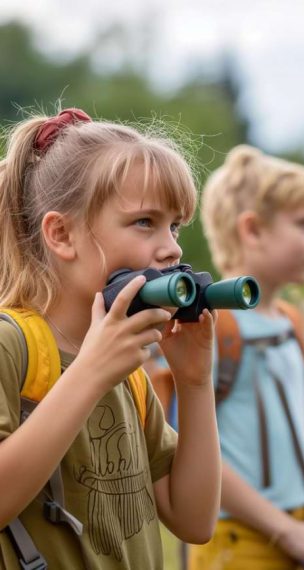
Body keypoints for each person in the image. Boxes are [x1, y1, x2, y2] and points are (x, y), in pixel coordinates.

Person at [0, 109, 221, 569]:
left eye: (175, 225)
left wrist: (195, 383)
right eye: (145, 222)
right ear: (62, 234)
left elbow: (195, 521)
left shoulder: (130, 371)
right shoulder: (11, 345)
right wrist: (92, 373)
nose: (173, 248)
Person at [187, 144, 304, 569]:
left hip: (302, 530)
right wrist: (287, 531)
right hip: (237, 539)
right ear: (252, 230)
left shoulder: (291, 321)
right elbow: (191, 452)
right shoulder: (211, 325)